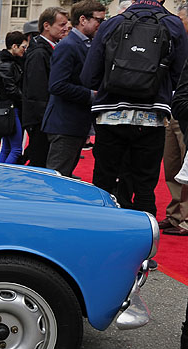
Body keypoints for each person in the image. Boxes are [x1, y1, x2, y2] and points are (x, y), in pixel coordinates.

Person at [81, 0, 188, 215]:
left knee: (105, 179)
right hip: (151, 115)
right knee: (145, 183)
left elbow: (89, 77)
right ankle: (143, 237)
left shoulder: (113, 23)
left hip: (110, 113)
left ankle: (100, 228)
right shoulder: (173, 24)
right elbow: (181, 76)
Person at [40, 0, 105, 178]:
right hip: (64, 124)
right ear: (83, 20)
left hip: (73, 124)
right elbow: (57, 85)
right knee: (57, 177)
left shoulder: (84, 44)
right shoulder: (68, 46)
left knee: (64, 176)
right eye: (98, 20)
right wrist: (92, 95)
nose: (101, 25)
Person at [22, 7, 71, 168]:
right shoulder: (39, 52)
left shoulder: (50, 48)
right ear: (47, 26)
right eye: (61, 24)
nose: (65, 28)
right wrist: (47, 120)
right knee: (40, 163)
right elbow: (38, 91)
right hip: (42, 121)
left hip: (47, 118)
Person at [164, 4, 188, 236]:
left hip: (184, 111)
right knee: (171, 164)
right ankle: (174, 214)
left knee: (185, 163)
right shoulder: (173, 41)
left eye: (181, 19)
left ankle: (186, 218)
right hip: (171, 107)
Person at [0, 32, 28, 164]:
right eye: (23, 47)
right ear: (14, 46)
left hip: (6, 109)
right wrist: (26, 99)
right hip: (11, 109)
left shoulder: (6, 63)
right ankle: (2, 176)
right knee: (16, 149)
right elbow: (11, 90)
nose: (24, 50)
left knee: (7, 148)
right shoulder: (7, 65)